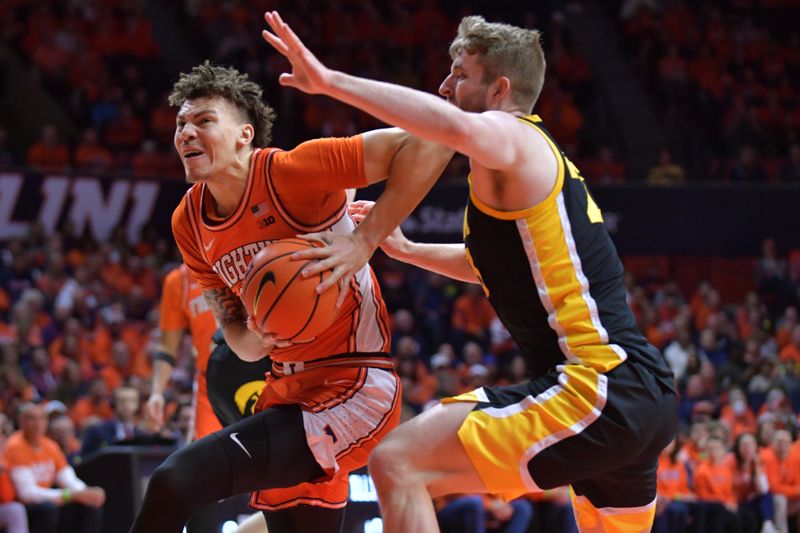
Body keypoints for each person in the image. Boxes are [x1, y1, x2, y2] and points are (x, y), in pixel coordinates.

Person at [262, 11, 677, 532]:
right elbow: (499, 270)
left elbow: (446, 124)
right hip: (635, 390)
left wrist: (330, 82)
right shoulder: (521, 173)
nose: (444, 85)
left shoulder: (514, 138)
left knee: (398, 463)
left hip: (597, 384)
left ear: (500, 89)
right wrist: (409, 249)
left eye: (460, 74)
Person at [129, 59, 451, 533]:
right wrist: (257, 332)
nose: (186, 133)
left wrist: (365, 241)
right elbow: (236, 338)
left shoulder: (294, 171)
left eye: (203, 121)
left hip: (355, 385)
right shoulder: (188, 222)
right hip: (287, 389)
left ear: (244, 134)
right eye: (181, 124)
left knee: (175, 481)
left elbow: (430, 140)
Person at [146, 263, 225, 440]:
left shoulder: (243, 257)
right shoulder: (179, 281)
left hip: (258, 370)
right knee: (210, 460)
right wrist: (157, 392)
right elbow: (167, 347)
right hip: (211, 382)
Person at [4, 403, 105, 533]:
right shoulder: (15, 446)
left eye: (41, 418)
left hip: (49, 499)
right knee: (48, 509)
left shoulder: (50, 445)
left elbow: (67, 477)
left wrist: (86, 492)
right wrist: (70, 495)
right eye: (32, 418)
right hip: (23, 506)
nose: (37, 423)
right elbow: (27, 494)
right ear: (21, 422)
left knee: (91, 504)